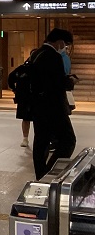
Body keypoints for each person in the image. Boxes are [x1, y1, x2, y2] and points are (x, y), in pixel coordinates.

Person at [30, 29, 76, 179]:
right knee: (68, 140)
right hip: (53, 107)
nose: (65, 47)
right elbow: (56, 84)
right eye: (65, 44)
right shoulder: (53, 56)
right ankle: (48, 173)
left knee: (41, 141)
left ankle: (41, 174)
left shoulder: (36, 54)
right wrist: (69, 81)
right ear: (60, 41)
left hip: (38, 105)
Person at [9, 49, 39, 149]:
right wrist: (14, 89)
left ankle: (38, 139)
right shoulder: (23, 68)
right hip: (25, 97)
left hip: (36, 97)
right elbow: (11, 77)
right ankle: (25, 138)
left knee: (37, 119)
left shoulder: (41, 68)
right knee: (26, 118)